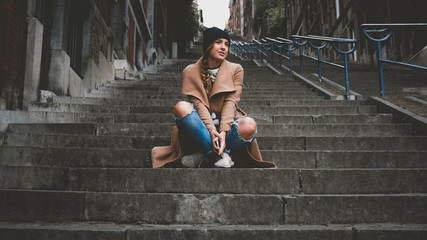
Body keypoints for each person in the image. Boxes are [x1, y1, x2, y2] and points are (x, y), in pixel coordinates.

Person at [151, 27, 276, 168]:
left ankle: (205, 155)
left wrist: (222, 132)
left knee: (249, 125)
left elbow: (231, 102)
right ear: (208, 45)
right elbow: (199, 105)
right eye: (218, 42)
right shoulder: (190, 71)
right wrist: (212, 132)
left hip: (227, 127)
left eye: (226, 44)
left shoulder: (236, 69)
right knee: (181, 107)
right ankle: (220, 154)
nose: (223, 47)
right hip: (201, 127)